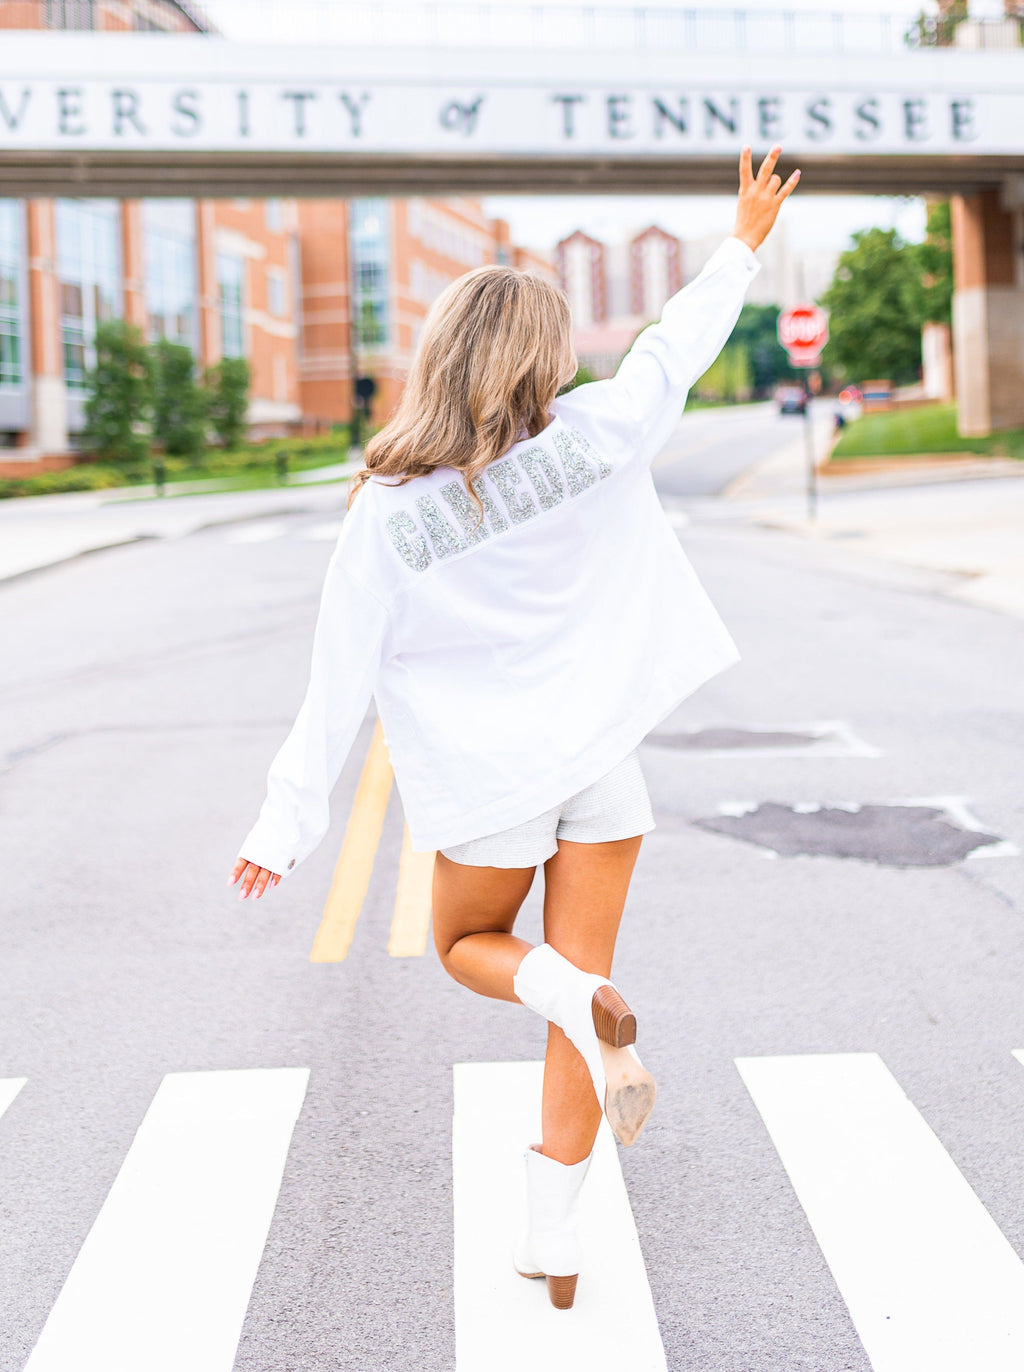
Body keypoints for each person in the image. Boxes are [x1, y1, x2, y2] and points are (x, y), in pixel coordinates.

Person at [229, 146, 799, 1311]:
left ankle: (572, 1017)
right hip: (601, 767)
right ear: (543, 357)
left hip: (490, 784)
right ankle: (555, 1236)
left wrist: (284, 824)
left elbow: (336, 676)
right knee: (578, 988)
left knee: (471, 949)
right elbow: (673, 346)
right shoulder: (595, 434)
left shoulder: (389, 510)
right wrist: (741, 240)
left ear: (441, 354)